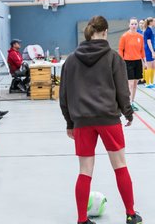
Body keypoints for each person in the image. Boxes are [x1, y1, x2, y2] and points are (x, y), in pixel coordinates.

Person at [59, 16, 142, 224]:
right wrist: (128, 113)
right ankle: (131, 214)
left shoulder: (70, 59)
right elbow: (123, 91)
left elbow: (64, 95)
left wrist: (70, 122)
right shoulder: (114, 58)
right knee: (120, 165)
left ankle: (81, 220)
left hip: (82, 122)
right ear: (105, 32)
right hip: (109, 119)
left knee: (84, 170)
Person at [118, 17, 145, 111]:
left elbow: (142, 50)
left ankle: (132, 102)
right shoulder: (124, 36)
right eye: (132, 24)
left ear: (137, 25)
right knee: (130, 84)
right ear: (129, 25)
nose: (134, 26)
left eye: (135, 24)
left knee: (135, 84)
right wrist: (121, 61)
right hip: (128, 62)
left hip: (138, 62)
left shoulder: (140, 37)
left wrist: (144, 61)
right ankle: (128, 104)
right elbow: (121, 50)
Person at [143, 17, 155, 87]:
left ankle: (152, 82)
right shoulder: (148, 31)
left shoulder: (150, 30)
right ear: (150, 22)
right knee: (149, 66)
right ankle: (147, 83)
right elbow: (149, 42)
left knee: (153, 66)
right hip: (148, 50)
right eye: (154, 21)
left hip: (151, 50)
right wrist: (152, 52)